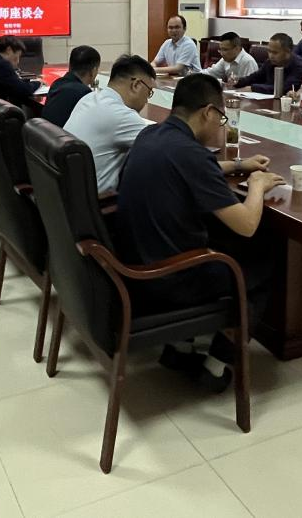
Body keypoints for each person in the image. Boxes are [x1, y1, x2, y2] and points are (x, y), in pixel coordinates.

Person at [117, 73, 284, 390]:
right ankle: (217, 364)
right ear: (208, 112)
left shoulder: (151, 135)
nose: (220, 125)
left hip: (134, 260)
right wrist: (258, 185)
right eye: (221, 117)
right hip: (167, 278)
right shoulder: (190, 153)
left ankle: (179, 349)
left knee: (220, 239)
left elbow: (194, 167)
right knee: (262, 258)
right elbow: (247, 225)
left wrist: (238, 165)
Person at [64, 54, 155, 193]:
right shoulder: (121, 115)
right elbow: (163, 148)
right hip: (99, 202)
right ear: (136, 85)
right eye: (149, 92)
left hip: (66, 194)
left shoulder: (88, 98)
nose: (147, 100)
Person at [42, 45, 100, 127]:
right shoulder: (84, 93)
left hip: (46, 133)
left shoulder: (57, 83)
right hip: (64, 134)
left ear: (70, 66)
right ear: (93, 71)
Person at [235, 33, 302, 95]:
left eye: (275, 52)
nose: (271, 56)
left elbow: (284, 89)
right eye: (269, 51)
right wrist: (237, 82)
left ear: (288, 52)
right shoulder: (269, 62)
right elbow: (254, 77)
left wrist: (253, 88)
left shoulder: (299, 66)